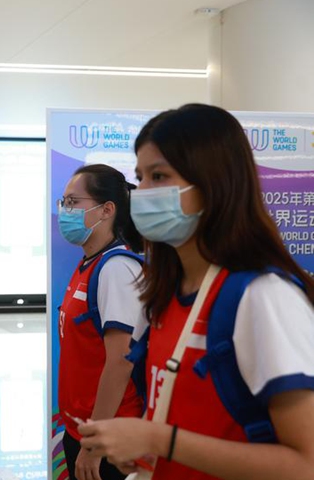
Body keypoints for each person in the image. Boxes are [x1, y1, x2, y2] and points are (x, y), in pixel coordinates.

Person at [78, 104, 314, 480]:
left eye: (159, 175)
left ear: (212, 183)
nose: (142, 193)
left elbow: (306, 465)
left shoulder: (261, 297)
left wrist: (159, 440)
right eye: (140, 177)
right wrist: (145, 453)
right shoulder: (169, 293)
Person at [57, 164, 147, 480]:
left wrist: (94, 443)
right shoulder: (88, 264)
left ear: (106, 209)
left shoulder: (117, 269)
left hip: (108, 436)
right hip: (81, 429)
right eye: (63, 203)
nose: (64, 211)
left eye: (73, 202)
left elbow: (120, 361)